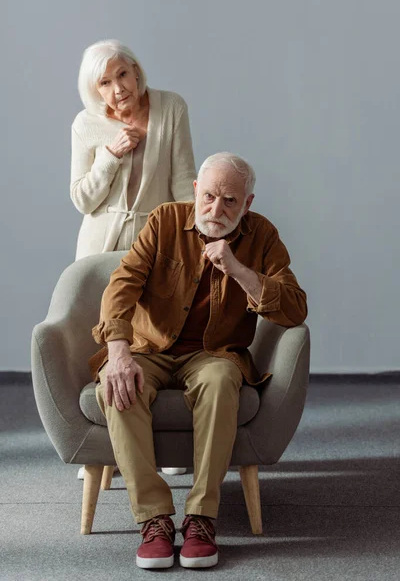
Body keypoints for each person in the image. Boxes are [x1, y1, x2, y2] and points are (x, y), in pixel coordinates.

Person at [90, 152, 307, 569]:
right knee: (119, 386)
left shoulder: (262, 235)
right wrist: (117, 350)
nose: (216, 209)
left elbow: (295, 308)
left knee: (222, 381)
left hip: (214, 355)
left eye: (229, 200)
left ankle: (201, 519)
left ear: (247, 203)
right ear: (195, 192)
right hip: (148, 348)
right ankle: (154, 520)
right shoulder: (164, 220)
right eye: (208, 196)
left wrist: (239, 269)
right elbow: (122, 284)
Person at [71, 38, 196, 476]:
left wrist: (194, 241)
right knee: (102, 341)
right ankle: (102, 450)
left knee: (156, 336)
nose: (117, 88)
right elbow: (82, 199)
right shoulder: (86, 125)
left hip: (155, 242)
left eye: (122, 74)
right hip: (100, 247)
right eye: (104, 82)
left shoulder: (171, 107)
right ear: (95, 89)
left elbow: (184, 182)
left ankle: (169, 444)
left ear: (137, 71)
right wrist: (110, 156)